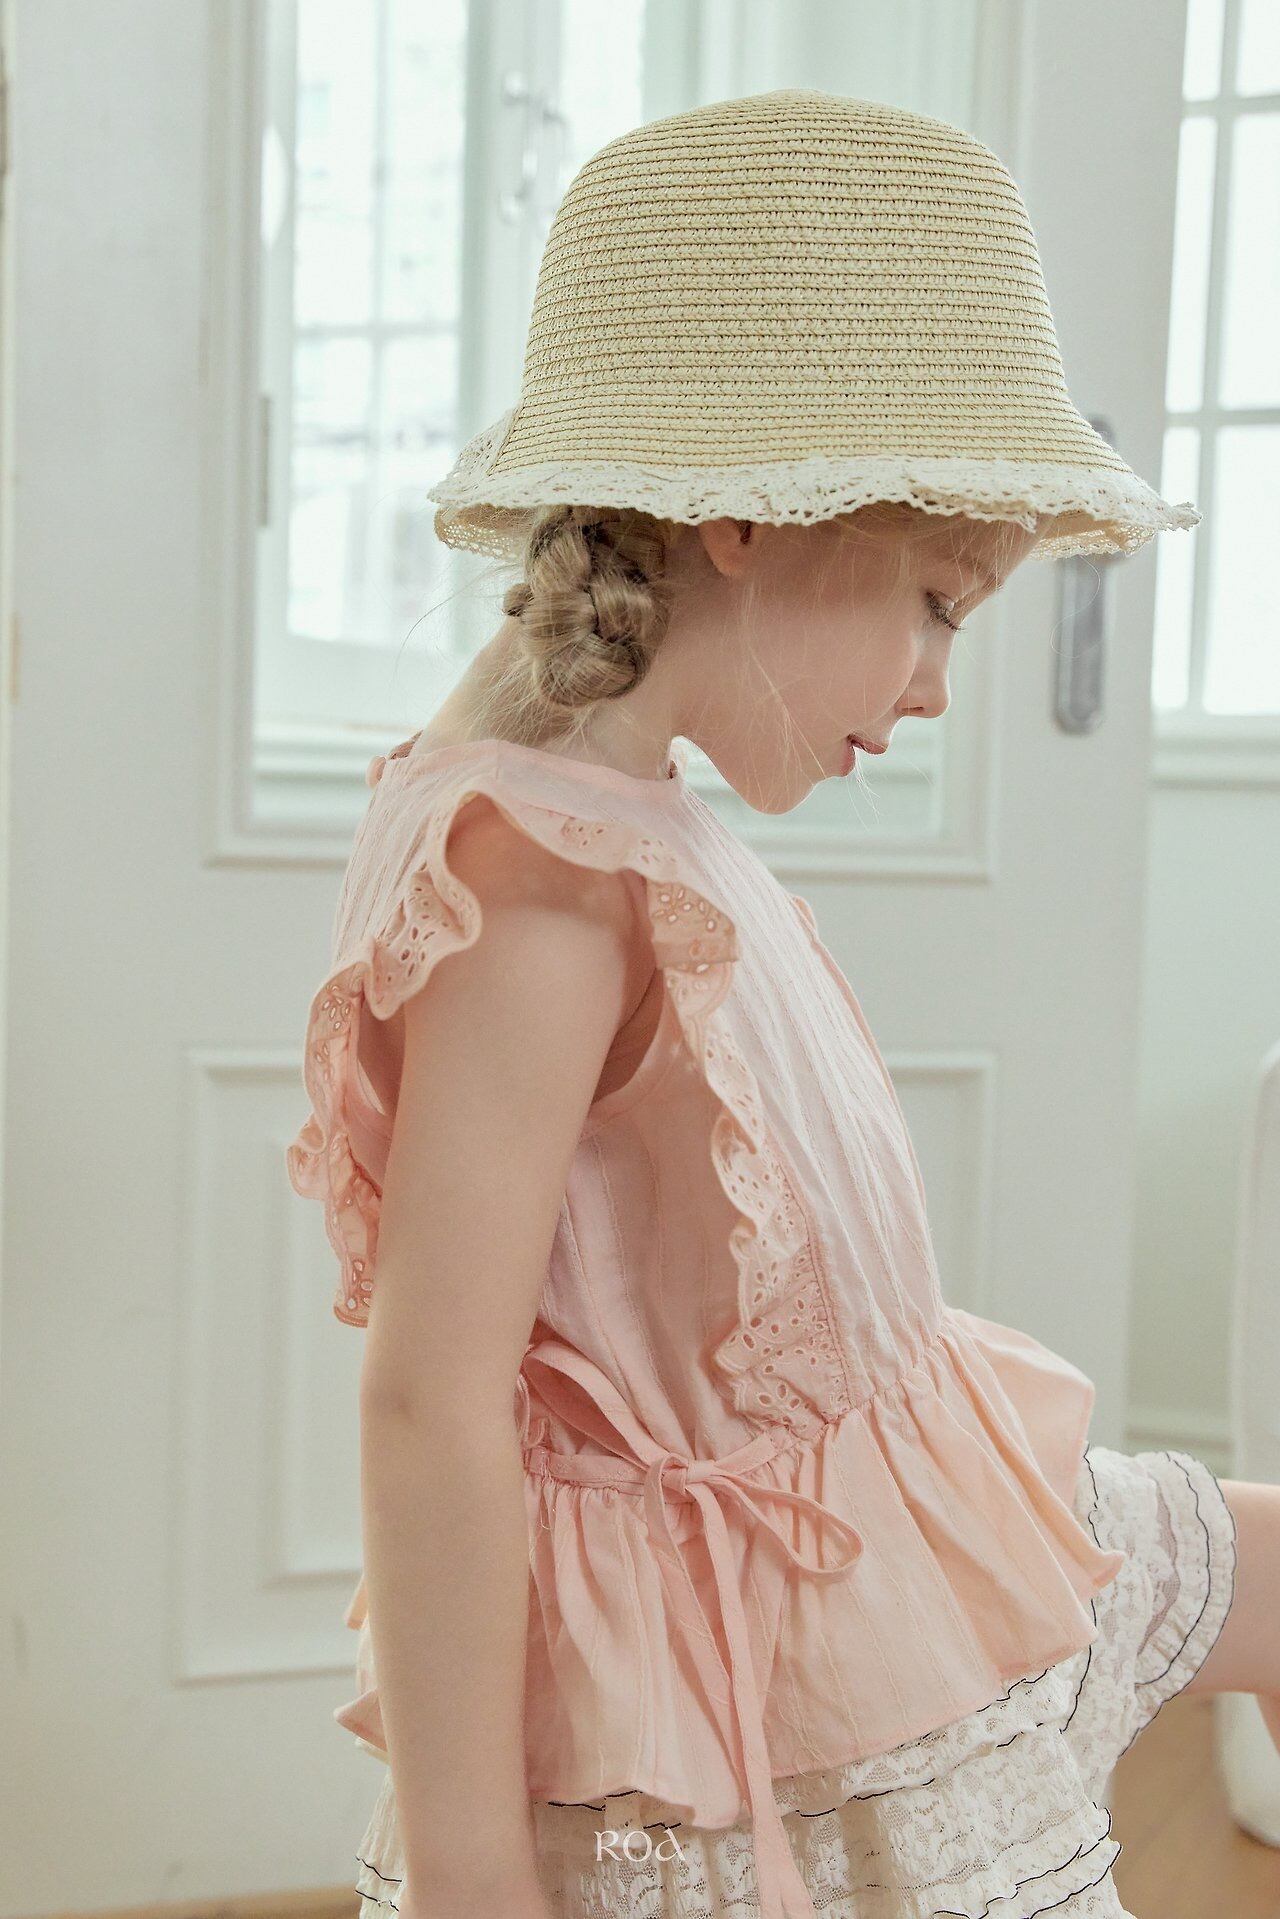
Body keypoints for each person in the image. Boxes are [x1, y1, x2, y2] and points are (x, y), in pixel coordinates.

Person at [286, 90, 1280, 1919]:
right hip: (757, 1661)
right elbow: (429, 1406)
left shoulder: (626, 817)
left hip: (901, 1505)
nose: (936, 686)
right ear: (746, 515)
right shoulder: (541, 886)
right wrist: (473, 1879)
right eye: (937, 603)